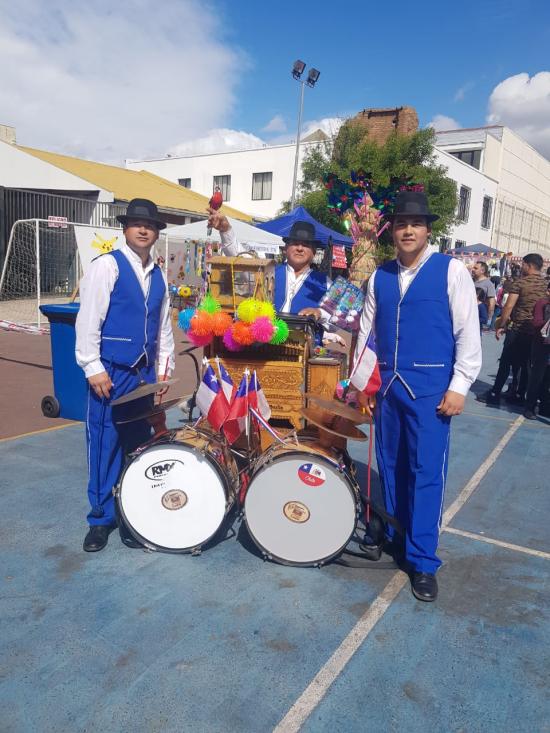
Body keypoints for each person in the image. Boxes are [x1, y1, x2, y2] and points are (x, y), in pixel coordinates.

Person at [351, 190, 481, 602]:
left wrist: (459, 386)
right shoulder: (379, 276)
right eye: (403, 224)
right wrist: (363, 387)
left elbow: (468, 333)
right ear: (393, 231)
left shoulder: (452, 272)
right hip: (388, 389)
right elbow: (366, 336)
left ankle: (423, 560)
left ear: (428, 230)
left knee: (425, 472)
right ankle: (393, 532)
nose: (409, 230)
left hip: (431, 393)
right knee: (390, 466)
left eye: (417, 224)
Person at [76, 198, 175, 552]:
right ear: (125, 228)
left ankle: (129, 513)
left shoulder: (160, 274)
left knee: (137, 445)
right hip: (112, 372)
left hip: (144, 374)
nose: (144, 229)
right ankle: (100, 518)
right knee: (104, 444)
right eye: (136, 223)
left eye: (149, 225)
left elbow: (162, 328)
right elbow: (88, 320)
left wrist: (163, 374)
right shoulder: (107, 266)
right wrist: (93, 367)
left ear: (156, 232)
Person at [478, 253, 548, 405]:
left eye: (523, 264)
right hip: (536, 331)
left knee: (506, 362)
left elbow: (509, 306)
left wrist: (501, 325)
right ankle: (519, 395)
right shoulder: (545, 285)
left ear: (528, 265)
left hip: (517, 329)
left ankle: (495, 392)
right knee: (526, 364)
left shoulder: (520, 283)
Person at [523, 285, 550, 419]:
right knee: (537, 378)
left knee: (547, 380)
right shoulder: (542, 304)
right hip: (542, 347)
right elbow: (536, 323)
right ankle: (530, 407)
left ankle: (545, 406)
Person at [471, 261, 496, 327]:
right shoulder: (471, 280)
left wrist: (489, 316)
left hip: (478, 316)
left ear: (482, 271)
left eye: (475, 268)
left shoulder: (488, 284)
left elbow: (492, 302)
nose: (473, 269)